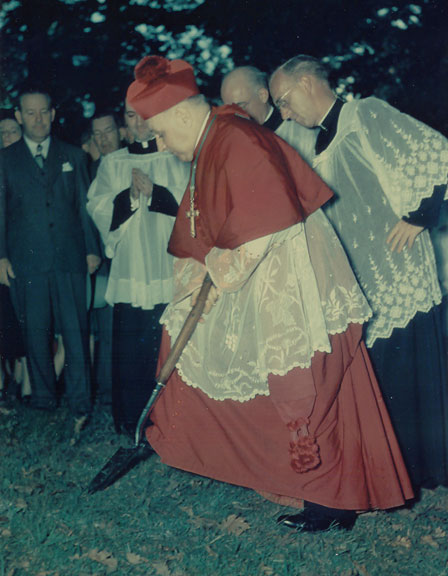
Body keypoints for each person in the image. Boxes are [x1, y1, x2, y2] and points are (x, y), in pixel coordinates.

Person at [126, 55, 413, 532]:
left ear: (180, 114)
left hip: (293, 275)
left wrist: (216, 275)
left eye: (158, 132)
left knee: (308, 382)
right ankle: (323, 495)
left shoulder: (236, 137)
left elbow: (261, 226)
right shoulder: (215, 138)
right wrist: (202, 278)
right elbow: (208, 228)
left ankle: (331, 500)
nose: (157, 144)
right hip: (267, 274)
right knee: (289, 380)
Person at [269, 55, 448, 491]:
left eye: (285, 101)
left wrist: (421, 216)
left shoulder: (365, 113)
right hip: (363, 276)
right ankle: (401, 473)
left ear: (308, 82)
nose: (286, 114)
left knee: (406, 366)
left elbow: (435, 153)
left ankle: (425, 469)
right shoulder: (318, 141)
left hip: (398, 270)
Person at [87, 99, 189, 435]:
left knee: (170, 342)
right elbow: (97, 204)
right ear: (124, 123)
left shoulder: (178, 155)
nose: (141, 125)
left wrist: (158, 193)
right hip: (132, 270)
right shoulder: (114, 163)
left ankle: (175, 420)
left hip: (168, 266)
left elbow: (195, 200)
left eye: (146, 116)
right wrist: (130, 197)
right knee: (132, 345)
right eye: (132, 117)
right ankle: (133, 420)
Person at [0, 85, 101, 424]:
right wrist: (1, 257)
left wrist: (91, 249)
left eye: (43, 111)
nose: (38, 119)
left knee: (75, 330)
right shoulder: (5, 160)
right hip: (26, 260)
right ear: (18, 116)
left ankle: (80, 400)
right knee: (35, 332)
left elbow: (84, 208)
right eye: (29, 113)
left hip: (70, 258)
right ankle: (42, 398)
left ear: (53, 113)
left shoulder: (72, 155)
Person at [220, 66, 316, 162]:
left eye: (240, 106)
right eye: (229, 110)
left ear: (263, 95)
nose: (235, 116)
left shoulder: (301, 132)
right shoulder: (236, 147)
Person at [0, 111, 31, 403]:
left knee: (20, 318)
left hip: (22, 255)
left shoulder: (31, 166)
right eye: (2, 134)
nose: (6, 138)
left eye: (11, 131)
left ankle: (24, 383)